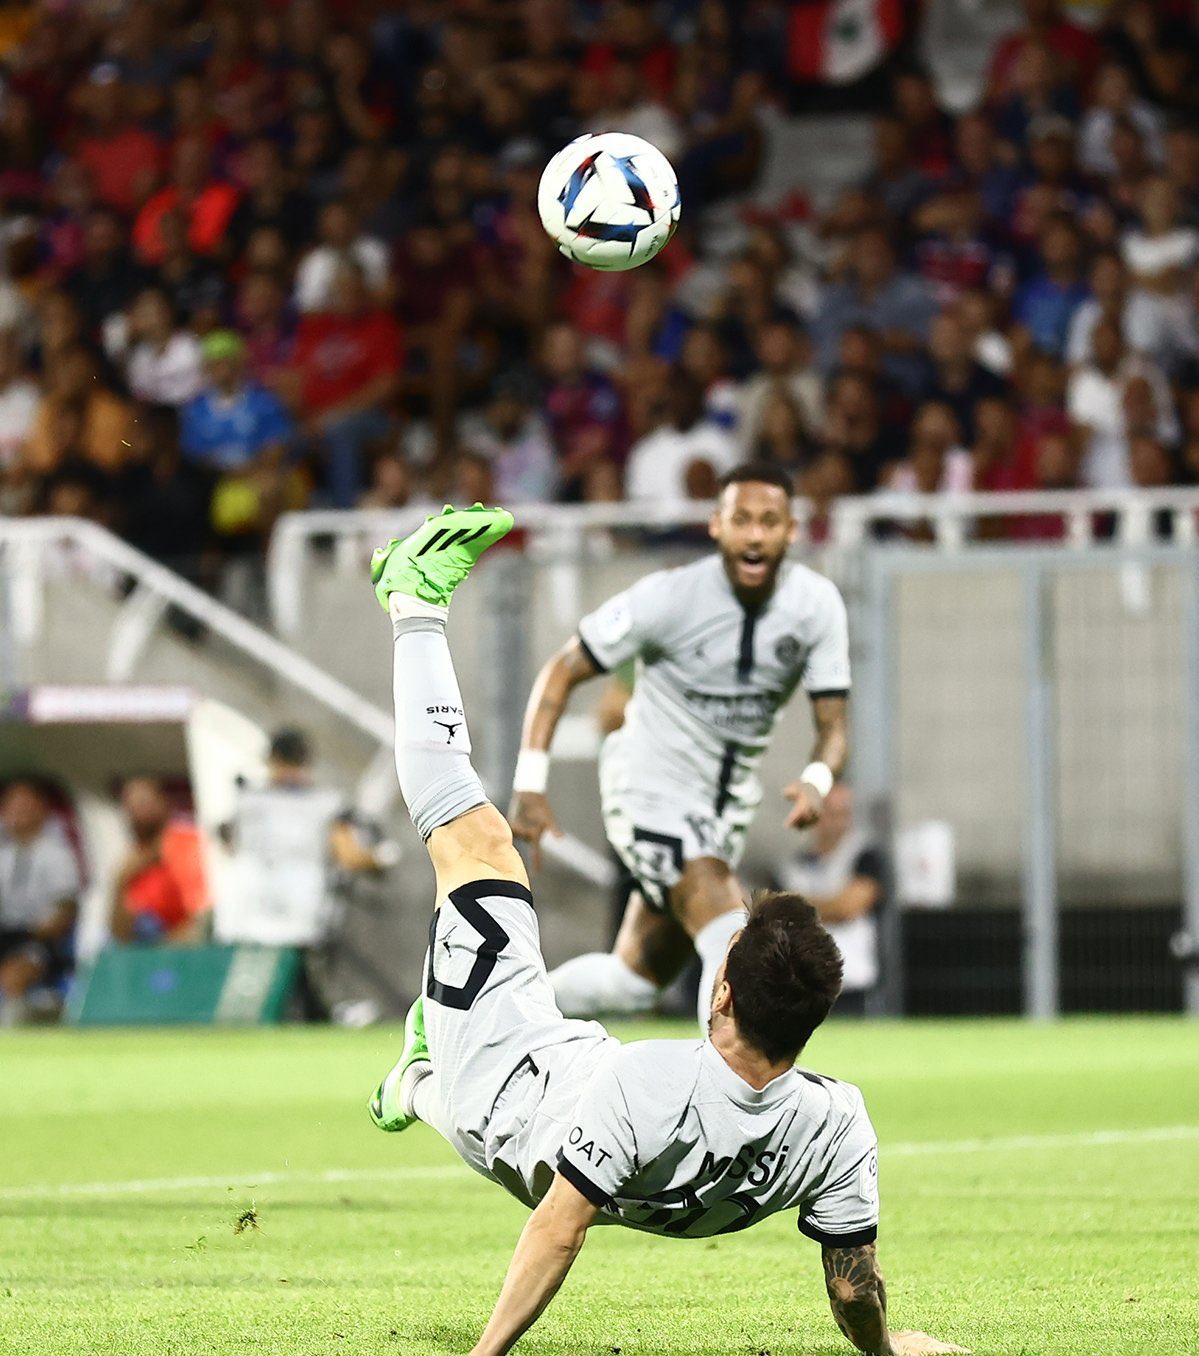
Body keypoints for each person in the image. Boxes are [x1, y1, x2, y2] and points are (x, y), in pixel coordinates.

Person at [364, 504, 965, 1356]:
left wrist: (483, 1354)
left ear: (719, 987)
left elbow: (558, 1230)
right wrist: (883, 1352)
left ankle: (411, 603)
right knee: (604, 984)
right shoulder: (836, 1124)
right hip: (562, 1065)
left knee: (475, 841)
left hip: (498, 1093)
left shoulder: (648, 1085)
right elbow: (849, 1281)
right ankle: (411, 1078)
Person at [509, 462, 852, 1029]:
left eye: (770, 521)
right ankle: (723, 1107)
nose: (755, 534)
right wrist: (528, 781)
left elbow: (834, 727)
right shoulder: (668, 597)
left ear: (792, 531)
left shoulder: (816, 607)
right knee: (731, 940)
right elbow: (562, 670)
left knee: (632, 983)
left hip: (723, 811)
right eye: (741, 519)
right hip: (648, 787)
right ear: (716, 525)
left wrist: (817, 780)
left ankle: (486, 1016)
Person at [215, 727, 391, 1019]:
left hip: (248, 911)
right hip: (299, 911)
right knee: (302, 990)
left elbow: (228, 843)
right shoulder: (325, 803)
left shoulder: (249, 801)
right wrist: (379, 861)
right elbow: (350, 855)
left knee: (249, 998)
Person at [774, 785, 884, 1018]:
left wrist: (797, 908)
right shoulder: (793, 866)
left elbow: (848, 907)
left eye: (844, 813)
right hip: (802, 986)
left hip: (851, 986)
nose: (839, 822)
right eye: (831, 813)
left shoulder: (864, 857)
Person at [0, 780, 82, 1026]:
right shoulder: (2, 856)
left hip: (40, 940)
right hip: (4, 934)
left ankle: (11, 1033)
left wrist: (35, 933)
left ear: (41, 809)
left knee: (14, 972)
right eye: (12, 805)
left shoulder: (57, 854)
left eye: (25, 804)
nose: (18, 811)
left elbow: (66, 908)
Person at [109, 777, 210, 945]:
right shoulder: (133, 858)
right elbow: (119, 933)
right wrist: (120, 881)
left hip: (186, 945)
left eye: (143, 802)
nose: (138, 812)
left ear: (163, 803)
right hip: (149, 942)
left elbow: (201, 915)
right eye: (131, 806)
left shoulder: (187, 843)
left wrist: (163, 948)